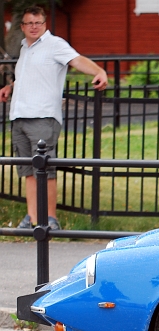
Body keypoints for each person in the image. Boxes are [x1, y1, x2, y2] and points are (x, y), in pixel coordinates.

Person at [0, 5, 108, 230]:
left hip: (43, 116)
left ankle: (49, 218)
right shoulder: (25, 48)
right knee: (28, 170)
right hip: (19, 115)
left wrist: (99, 71)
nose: (34, 27)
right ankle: (31, 218)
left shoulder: (55, 44)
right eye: (29, 23)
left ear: (44, 24)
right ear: (22, 26)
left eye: (38, 22)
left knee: (45, 170)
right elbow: (30, 76)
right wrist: (11, 88)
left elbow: (77, 60)